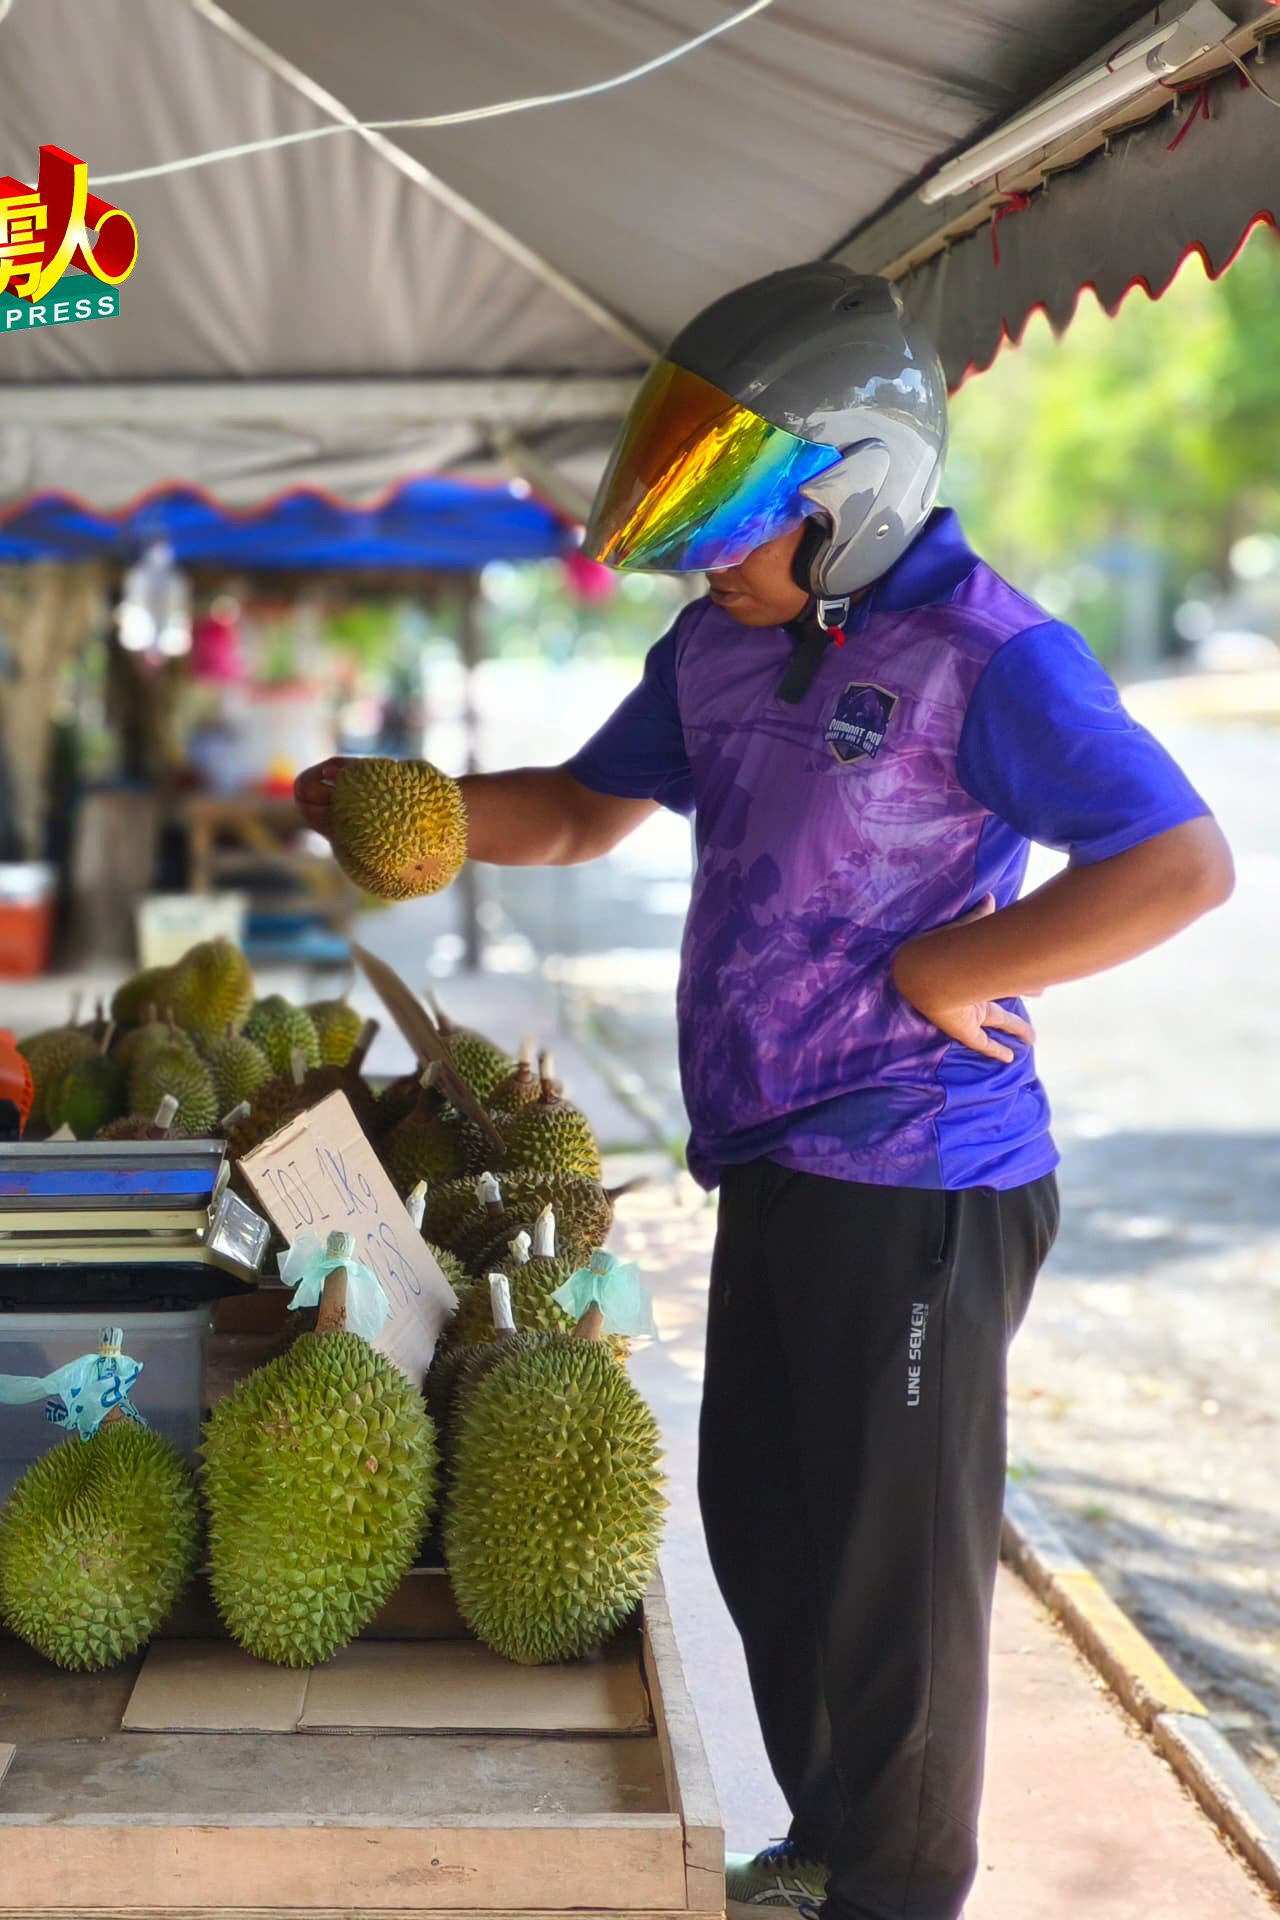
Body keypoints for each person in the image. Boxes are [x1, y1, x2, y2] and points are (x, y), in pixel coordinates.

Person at [297, 264, 1233, 1920]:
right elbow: (587, 813)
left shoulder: (983, 652)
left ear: (851, 500)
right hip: (777, 1160)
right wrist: (407, 809)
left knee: (897, 1587)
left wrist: (958, 968)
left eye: (736, 520)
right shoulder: (724, 653)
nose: (706, 555)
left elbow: (1178, 860)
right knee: (765, 1526)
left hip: (925, 1175)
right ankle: (822, 1841)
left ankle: (897, 1892)